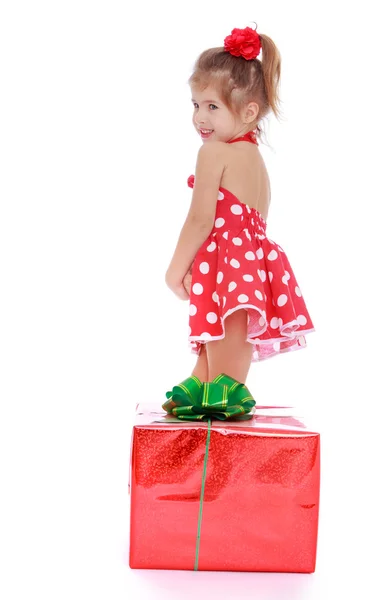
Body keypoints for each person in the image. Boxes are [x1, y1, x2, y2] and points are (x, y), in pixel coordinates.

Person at [165, 23, 315, 385]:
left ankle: (226, 418)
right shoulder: (255, 162)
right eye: (196, 104)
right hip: (247, 271)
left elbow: (201, 220)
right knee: (205, 377)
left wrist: (174, 270)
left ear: (249, 112)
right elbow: (247, 227)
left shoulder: (214, 153)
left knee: (225, 385)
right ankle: (196, 409)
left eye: (212, 106)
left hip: (228, 272)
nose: (200, 117)